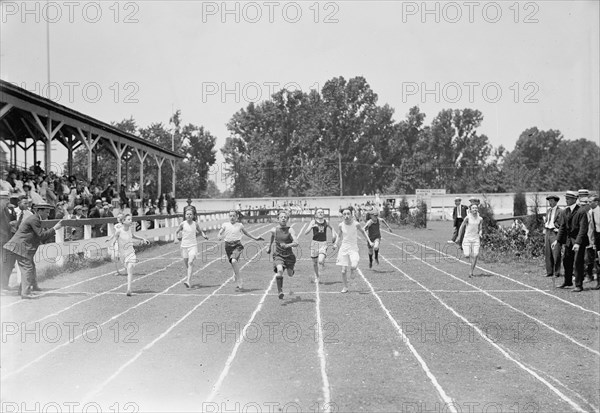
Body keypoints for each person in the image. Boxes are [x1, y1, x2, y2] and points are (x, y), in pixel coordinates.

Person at [2, 202, 64, 298]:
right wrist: (55, 228)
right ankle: (25, 293)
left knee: (29, 267)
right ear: (39, 210)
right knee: (28, 267)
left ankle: (25, 290)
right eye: (46, 212)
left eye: (49, 212)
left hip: (18, 247)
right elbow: (41, 236)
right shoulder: (34, 219)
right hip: (19, 247)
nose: (48, 215)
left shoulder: (35, 218)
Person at [217, 210, 264, 291]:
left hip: (237, 245)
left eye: (234, 216)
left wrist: (255, 238)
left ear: (237, 217)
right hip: (228, 246)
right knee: (233, 262)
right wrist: (219, 235)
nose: (232, 217)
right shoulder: (225, 225)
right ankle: (235, 274)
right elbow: (220, 232)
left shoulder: (240, 225)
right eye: (230, 216)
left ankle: (240, 281)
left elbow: (246, 233)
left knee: (234, 261)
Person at [554, 191, 588, 291]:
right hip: (569, 241)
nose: (566, 200)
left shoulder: (581, 211)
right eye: (566, 198)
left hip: (578, 240)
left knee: (578, 263)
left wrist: (577, 242)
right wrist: (557, 240)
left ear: (574, 199)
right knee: (566, 261)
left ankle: (578, 285)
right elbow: (562, 227)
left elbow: (583, 229)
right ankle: (567, 281)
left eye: (568, 198)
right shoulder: (565, 211)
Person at [334, 208, 373, 293]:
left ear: (351, 215)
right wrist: (335, 244)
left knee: (354, 265)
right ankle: (345, 287)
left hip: (353, 248)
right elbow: (339, 235)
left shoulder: (356, 224)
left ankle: (352, 270)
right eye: (344, 214)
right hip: (344, 248)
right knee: (343, 270)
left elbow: (363, 232)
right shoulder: (340, 225)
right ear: (342, 216)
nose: (346, 216)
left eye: (348, 214)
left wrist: (369, 241)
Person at [111, 214, 150, 296]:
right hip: (122, 254)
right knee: (127, 268)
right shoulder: (119, 231)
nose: (131, 221)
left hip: (131, 253)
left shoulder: (130, 229)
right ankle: (129, 288)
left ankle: (129, 289)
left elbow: (133, 236)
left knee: (130, 268)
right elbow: (114, 240)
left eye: (131, 219)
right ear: (123, 221)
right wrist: (114, 249)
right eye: (128, 219)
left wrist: (142, 238)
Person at [267, 210, 299, 299]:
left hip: (289, 256)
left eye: (285, 217)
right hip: (278, 255)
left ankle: (291, 269)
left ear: (287, 219)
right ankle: (280, 291)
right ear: (278, 219)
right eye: (282, 217)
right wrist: (269, 247)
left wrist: (287, 245)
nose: (283, 219)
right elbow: (272, 237)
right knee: (280, 270)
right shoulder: (274, 230)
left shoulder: (290, 230)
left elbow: (296, 242)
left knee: (290, 274)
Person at [176, 209, 209, 288]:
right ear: (185, 215)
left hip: (193, 246)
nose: (189, 216)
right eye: (187, 214)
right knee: (187, 264)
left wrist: (204, 235)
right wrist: (175, 238)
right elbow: (176, 231)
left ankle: (188, 281)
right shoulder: (182, 224)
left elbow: (200, 231)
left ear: (193, 216)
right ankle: (189, 276)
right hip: (184, 247)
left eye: (190, 214)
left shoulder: (195, 224)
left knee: (190, 262)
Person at [303, 208, 338, 284]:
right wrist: (311, 227)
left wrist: (333, 235)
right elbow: (306, 232)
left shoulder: (326, 222)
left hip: (323, 243)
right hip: (314, 243)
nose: (321, 213)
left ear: (324, 214)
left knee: (320, 261)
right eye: (319, 212)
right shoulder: (313, 222)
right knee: (315, 263)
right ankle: (317, 276)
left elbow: (332, 229)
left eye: (322, 212)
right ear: (316, 214)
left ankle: (322, 262)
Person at [457, 204, 483, 278]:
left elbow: (480, 228)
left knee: (475, 255)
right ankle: (465, 252)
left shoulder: (480, 219)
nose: (475, 209)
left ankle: (471, 272)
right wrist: (459, 237)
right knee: (467, 255)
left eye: (476, 208)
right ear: (470, 210)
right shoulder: (467, 218)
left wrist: (480, 233)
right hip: (467, 238)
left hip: (475, 238)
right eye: (473, 208)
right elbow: (462, 227)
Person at [544, 195, 562, 278]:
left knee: (556, 252)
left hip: (554, 232)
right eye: (549, 201)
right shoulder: (548, 210)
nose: (550, 203)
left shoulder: (560, 211)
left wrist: (558, 230)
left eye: (551, 201)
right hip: (548, 231)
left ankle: (556, 272)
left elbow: (562, 223)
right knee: (548, 253)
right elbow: (547, 221)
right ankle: (549, 271)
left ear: (556, 201)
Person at [587, 196, 600, 290]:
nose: (589, 203)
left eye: (590, 201)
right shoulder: (590, 212)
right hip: (596, 237)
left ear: (596, 202)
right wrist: (591, 241)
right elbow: (591, 228)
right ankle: (598, 283)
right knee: (597, 260)